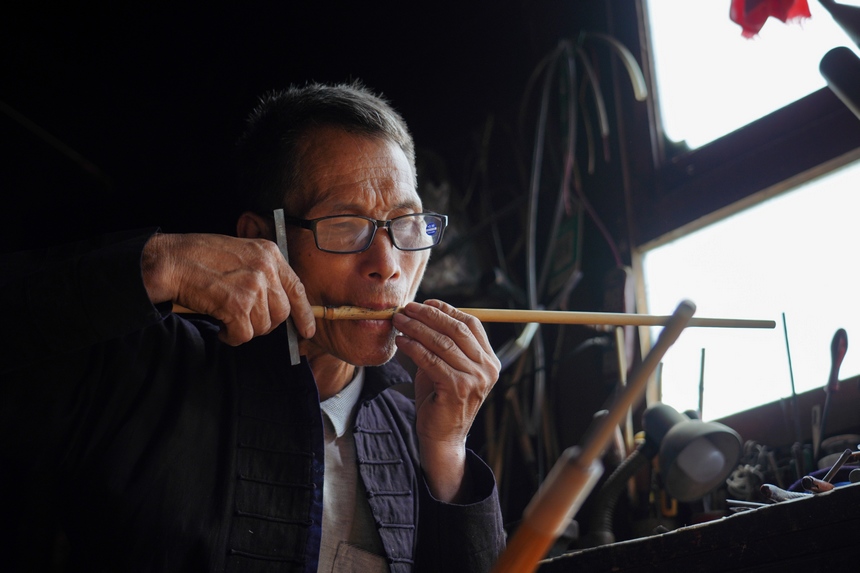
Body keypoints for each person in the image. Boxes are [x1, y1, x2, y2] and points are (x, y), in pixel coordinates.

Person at [0, 82, 506, 572]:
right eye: (345, 225)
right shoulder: (150, 368)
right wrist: (153, 265)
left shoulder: (419, 416)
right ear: (262, 239)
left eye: (406, 222)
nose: (388, 263)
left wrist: (447, 453)